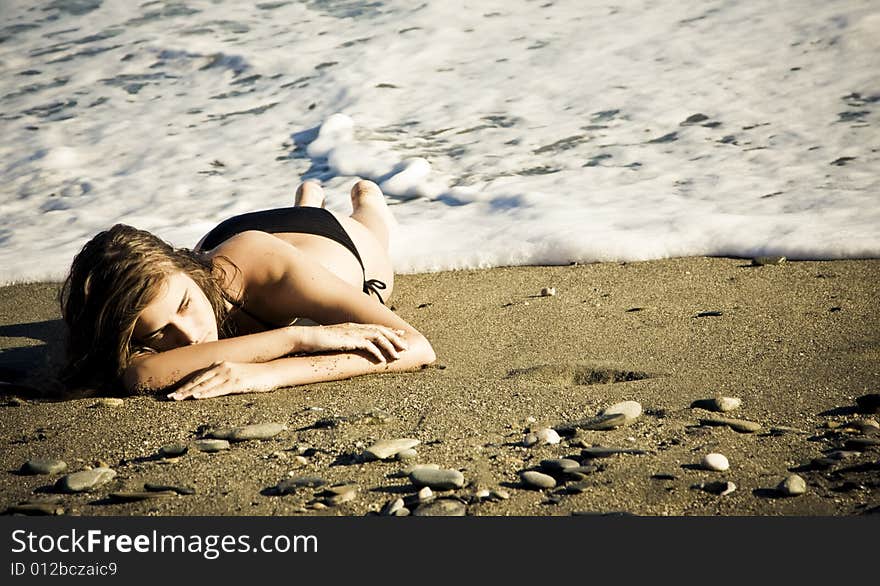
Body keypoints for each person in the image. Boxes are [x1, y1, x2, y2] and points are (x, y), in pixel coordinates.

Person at [59, 179, 436, 400]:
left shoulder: (259, 270)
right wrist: (295, 338)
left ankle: (363, 197)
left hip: (333, 240)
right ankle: (306, 197)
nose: (189, 336)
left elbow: (417, 347)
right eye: (160, 332)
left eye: (186, 304)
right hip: (231, 235)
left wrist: (270, 374)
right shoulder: (160, 292)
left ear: (182, 265)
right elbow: (141, 377)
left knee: (370, 228)